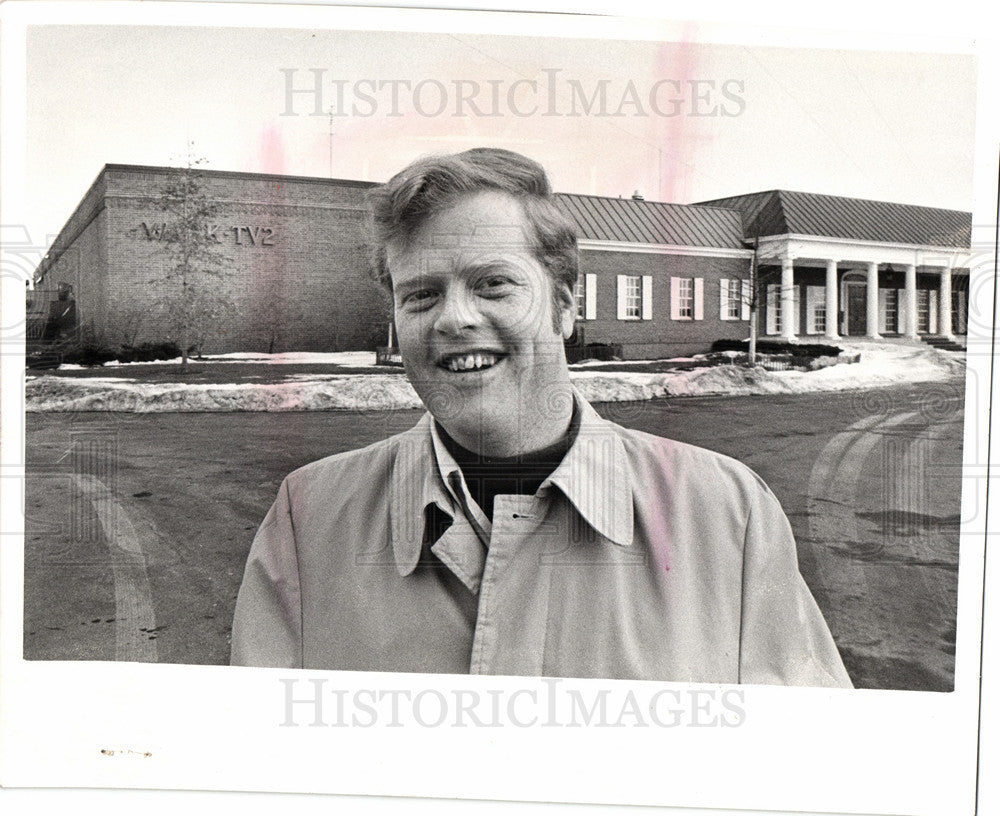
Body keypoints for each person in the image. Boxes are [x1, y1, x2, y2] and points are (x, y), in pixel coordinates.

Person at [231, 147, 852, 687]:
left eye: (494, 285)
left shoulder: (726, 515)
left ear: (563, 308)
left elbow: (803, 767)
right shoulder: (307, 520)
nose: (453, 319)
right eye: (421, 295)